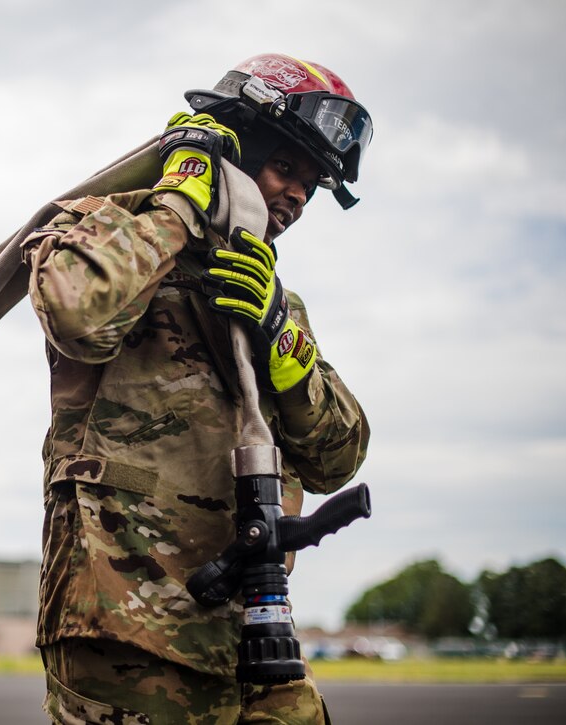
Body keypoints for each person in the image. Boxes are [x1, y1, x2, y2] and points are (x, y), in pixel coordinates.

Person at [23, 54, 373, 724]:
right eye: (287, 167)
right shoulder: (110, 229)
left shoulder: (274, 302)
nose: (298, 196)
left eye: (312, 184)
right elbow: (78, 312)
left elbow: (340, 457)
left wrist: (283, 344)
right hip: (128, 625)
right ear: (236, 144)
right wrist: (182, 198)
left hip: (251, 634)